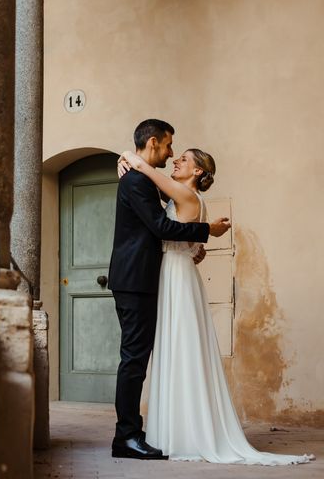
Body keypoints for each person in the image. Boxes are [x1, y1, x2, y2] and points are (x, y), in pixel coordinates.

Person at [118, 147, 314, 465]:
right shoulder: (187, 198)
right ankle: (175, 429)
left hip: (176, 277)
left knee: (180, 348)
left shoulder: (184, 193)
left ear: (197, 172)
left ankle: (182, 433)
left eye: (183, 159)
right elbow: (188, 244)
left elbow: (146, 173)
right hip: (175, 272)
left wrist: (129, 157)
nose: (175, 161)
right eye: (175, 155)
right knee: (176, 348)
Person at [108, 119, 232, 460]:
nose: (172, 153)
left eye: (178, 153)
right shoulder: (136, 180)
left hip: (147, 278)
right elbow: (163, 225)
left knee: (139, 357)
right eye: (168, 146)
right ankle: (127, 437)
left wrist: (193, 242)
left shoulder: (145, 179)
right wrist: (206, 231)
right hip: (136, 280)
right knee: (134, 359)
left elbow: (171, 216)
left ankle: (140, 430)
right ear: (152, 143)